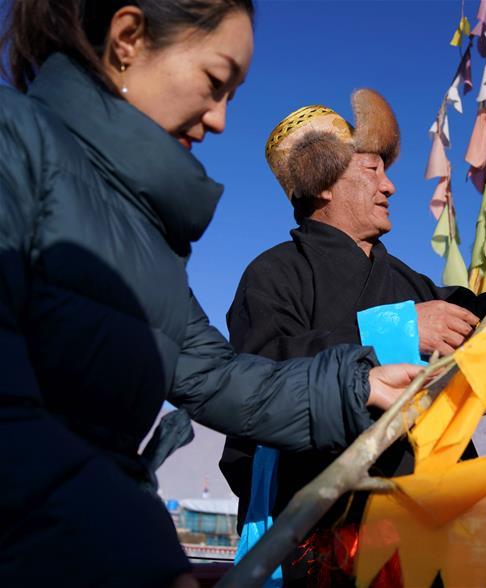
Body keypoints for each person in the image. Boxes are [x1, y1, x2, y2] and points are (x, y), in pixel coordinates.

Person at [0, 2, 419, 587]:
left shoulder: (149, 239)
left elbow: (217, 377)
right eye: (214, 82)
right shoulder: (12, 144)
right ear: (128, 38)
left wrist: (356, 383)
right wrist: (138, 545)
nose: (220, 118)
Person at [219, 93, 486, 585]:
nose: (390, 186)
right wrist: (401, 331)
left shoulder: (410, 283)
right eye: (372, 170)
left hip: (428, 532)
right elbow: (260, 373)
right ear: (324, 184)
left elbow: (485, 315)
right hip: (326, 536)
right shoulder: (272, 275)